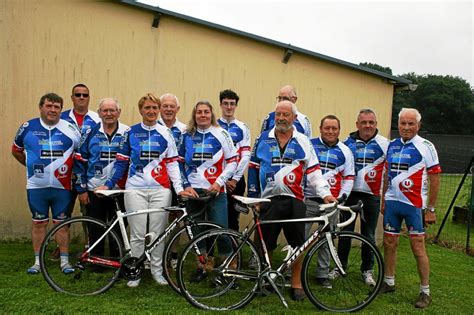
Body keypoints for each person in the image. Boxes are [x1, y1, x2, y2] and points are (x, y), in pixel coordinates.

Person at [248, 100, 335, 301]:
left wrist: (325, 194)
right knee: (265, 244)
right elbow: (253, 168)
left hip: (295, 199)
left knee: (298, 244)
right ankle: (266, 278)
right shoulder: (262, 138)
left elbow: (314, 172)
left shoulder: (304, 140)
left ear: (295, 118)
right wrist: (254, 198)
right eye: (278, 114)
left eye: (285, 114)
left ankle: (296, 284)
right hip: (268, 200)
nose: (280, 118)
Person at [106, 93, 190, 287]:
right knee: (137, 233)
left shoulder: (167, 133)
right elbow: (121, 163)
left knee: (158, 233)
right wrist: (109, 184)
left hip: (161, 190)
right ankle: (135, 271)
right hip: (135, 190)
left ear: (158, 110)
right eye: (147, 108)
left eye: (154, 108)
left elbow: (172, 165)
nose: (151, 111)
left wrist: (179, 189)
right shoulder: (130, 132)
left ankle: (157, 271)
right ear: (140, 110)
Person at [11, 93, 81, 274]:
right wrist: (30, 166)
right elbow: (16, 150)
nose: (52, 110)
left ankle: (64, 262)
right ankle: (38, 261)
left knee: (62, 224)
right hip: (36, 187)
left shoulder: (71, 128)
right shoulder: (28, 127)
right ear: (41, 107)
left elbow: (80, 156)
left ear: (60, 110)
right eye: (49, 106)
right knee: (39, 223)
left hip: (63, 187)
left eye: (56, 107)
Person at [380, 108, 441, 309]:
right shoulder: (392, 145)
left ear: (418, 125)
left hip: (414, 205)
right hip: (392, 203)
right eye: (403, 124)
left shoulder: (426, 146)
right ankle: (389, 282)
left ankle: (425, 291)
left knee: (418, 247)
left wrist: (431, 208)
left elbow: (435, 178)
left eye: (410, 124)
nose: (406, 127)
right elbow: (386, 173)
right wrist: (382, 198)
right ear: (398, 125)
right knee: (389, 242)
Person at [178, 100, 238, 282]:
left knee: (220, 229)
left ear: (211, 114)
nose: (202, 115)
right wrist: (185, 185)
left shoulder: (222, 133)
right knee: (196, 231)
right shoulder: (186, 135)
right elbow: (178, 163)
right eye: (199, 112)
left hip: (215, 190)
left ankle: (228, 268)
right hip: (193, 191)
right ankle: (202, 266)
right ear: (194, 115)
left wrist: (219, 182)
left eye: (206, 112)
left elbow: (233, 161)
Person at [328, 108, 389, 286]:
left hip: (371, 196)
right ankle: (340, 267)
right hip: (349, 195)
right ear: (357, 124)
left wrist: (385, 197)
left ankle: (367, 270)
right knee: (345, 233)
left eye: (371, 122)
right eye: (364, 122)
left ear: (376, 124)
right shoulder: (347, 143)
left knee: (368, 235)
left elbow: (390, 173)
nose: (367, 125)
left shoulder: (385, 144)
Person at [73, 98, 129, 258]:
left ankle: (117, 258)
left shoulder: (127, 132)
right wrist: (81, 190)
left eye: (112, 110)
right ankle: (96, 260)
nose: (109, 114)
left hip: (119, 189)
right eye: (105, 110)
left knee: (118, 227)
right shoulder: (89, 132)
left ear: (119, 112)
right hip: (94, 189)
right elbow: (79, 162)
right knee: (95, 227)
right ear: (99, 113)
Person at [304, 115, 355, 289]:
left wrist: (342, 197)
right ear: (320, 128)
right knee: (299, 238)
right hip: (308, 200)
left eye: (334, 128)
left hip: (331, 203)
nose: (330, 131)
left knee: (327, 239)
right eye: (327, 128)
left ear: (339, 130)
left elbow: (349, 177)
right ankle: (292, 272)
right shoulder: (309, 145)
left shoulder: (346, 151)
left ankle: (322, 274)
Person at [61, 84, 100, 217]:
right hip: (64, 174)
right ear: (72, 98)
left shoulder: (98, 119)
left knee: (89, 214)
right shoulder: (61, 118)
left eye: (85, 95)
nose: (81, 97)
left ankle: (89, 238)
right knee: (63, 214)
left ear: (89, 98)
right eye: (78, 95)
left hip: (87, 173)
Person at [157, 93, 187, 269]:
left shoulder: (184, 129)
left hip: (178, 181)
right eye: (165, 106)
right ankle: (155, 254)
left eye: (171, 106)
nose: (168, 109)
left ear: (178, 109)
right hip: (157, 181)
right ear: (160, 108)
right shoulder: (152, 127)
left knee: (177, 217)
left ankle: (173, 253)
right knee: (157, 218)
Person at [217, 89, 251, 231]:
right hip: (216, 178)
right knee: (214, 217)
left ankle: (233, 252)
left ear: (236, 105)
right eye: (226, 103)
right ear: (221, 105)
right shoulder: (214, 126)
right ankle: (210, 252)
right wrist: (222, 179)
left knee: (232, 217)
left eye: (232, 104)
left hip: (236, 180)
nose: (229, 107)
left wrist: (235, 179)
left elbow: (246, 155)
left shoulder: (242, 127)